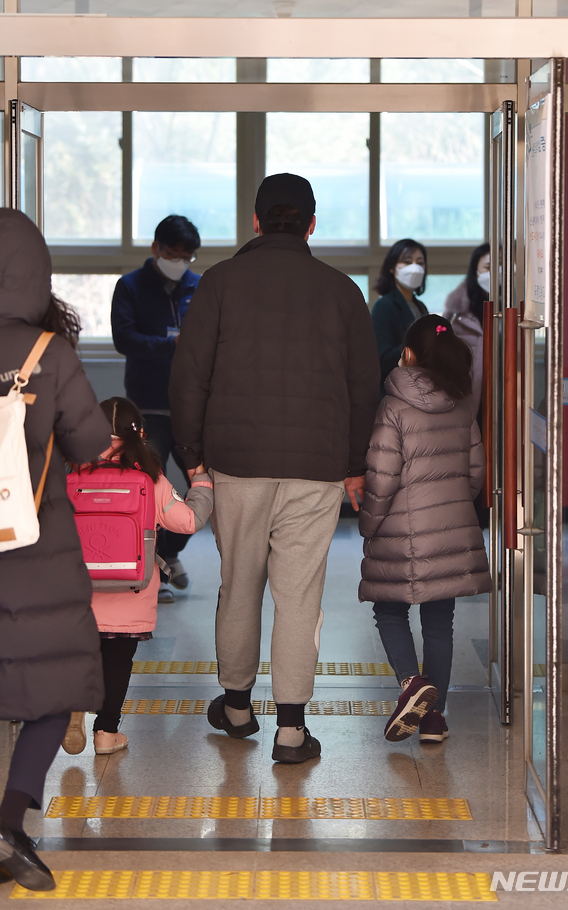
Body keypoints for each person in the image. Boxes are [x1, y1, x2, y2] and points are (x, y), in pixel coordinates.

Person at [169, 173, 380, 764]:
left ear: (256, 222)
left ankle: (237, 707)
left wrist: (194, 457)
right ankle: (292, 730)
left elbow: (189, 377)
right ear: (311, 224)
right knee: (299, 595)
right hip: (316, 469)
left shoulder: (219, 284)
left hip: (236, 465)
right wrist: (354, 464)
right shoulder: (342, 292)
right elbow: (364, 387)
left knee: (239, 582)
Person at [0, 209, 111, 891]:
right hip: (36, 546)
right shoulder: (52, 355)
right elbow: (93, 446)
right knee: (50, 693)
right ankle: (11, 821)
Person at [358, 314, 491, 744]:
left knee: (389, 609)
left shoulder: (393, 405)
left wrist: (369, 525)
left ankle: (411, 686)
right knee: (439, 622)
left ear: (408, 353)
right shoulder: (462, 401)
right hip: (452, 529)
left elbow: (381, 478)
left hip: (400, 528)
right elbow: (475, 473)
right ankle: (434, 719)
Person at [62, 398, 214, 757]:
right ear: (141, 434)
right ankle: (106, 732)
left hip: (80, 588)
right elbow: (188, 521)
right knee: (117, 660)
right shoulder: (150, 480)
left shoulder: (72, 476)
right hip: (130, 589)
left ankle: (74, 707)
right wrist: (202, 483)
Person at [111, 215, 201, 604]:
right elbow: (123, 338)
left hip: (193, 406)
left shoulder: (200, 286)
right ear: (155, 249)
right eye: (172, 254)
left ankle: (169, 553)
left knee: (206, 486)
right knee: (150, 489)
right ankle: (154, 572)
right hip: (148, 406)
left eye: (187, 256)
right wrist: (170, 345)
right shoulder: (130, 286)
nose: (178, 262)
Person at [370, 239, 428, 394]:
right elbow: (381, 359)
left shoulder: (420, 306)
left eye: (420, 263)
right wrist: (419, 344)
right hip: (393, 393)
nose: (415, 268)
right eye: (407, 262)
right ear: (392, 267)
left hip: (420, 389)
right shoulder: (384, 307)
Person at [442, 242, 490, 418]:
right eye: (489, 267)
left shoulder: (511, 307)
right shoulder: (457, 313)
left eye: (501, 267)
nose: (496, 272)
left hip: (501, 393)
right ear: (475, 270)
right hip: (467, 398)